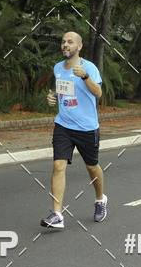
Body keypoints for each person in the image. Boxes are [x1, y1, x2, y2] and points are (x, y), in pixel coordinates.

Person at [41, 31, 106, 229]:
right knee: (58, 166)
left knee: (92, 167)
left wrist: (85, 76)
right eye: (63, 42)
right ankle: (57, 214)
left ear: (79, 46)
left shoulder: (89, 68)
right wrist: (53, 96)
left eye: (70, 42)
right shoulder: (58, 68)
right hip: (63, 125)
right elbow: (64, 89)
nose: (65, 45)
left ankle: (100, 199)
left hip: (87, 128)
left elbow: (98, 93)